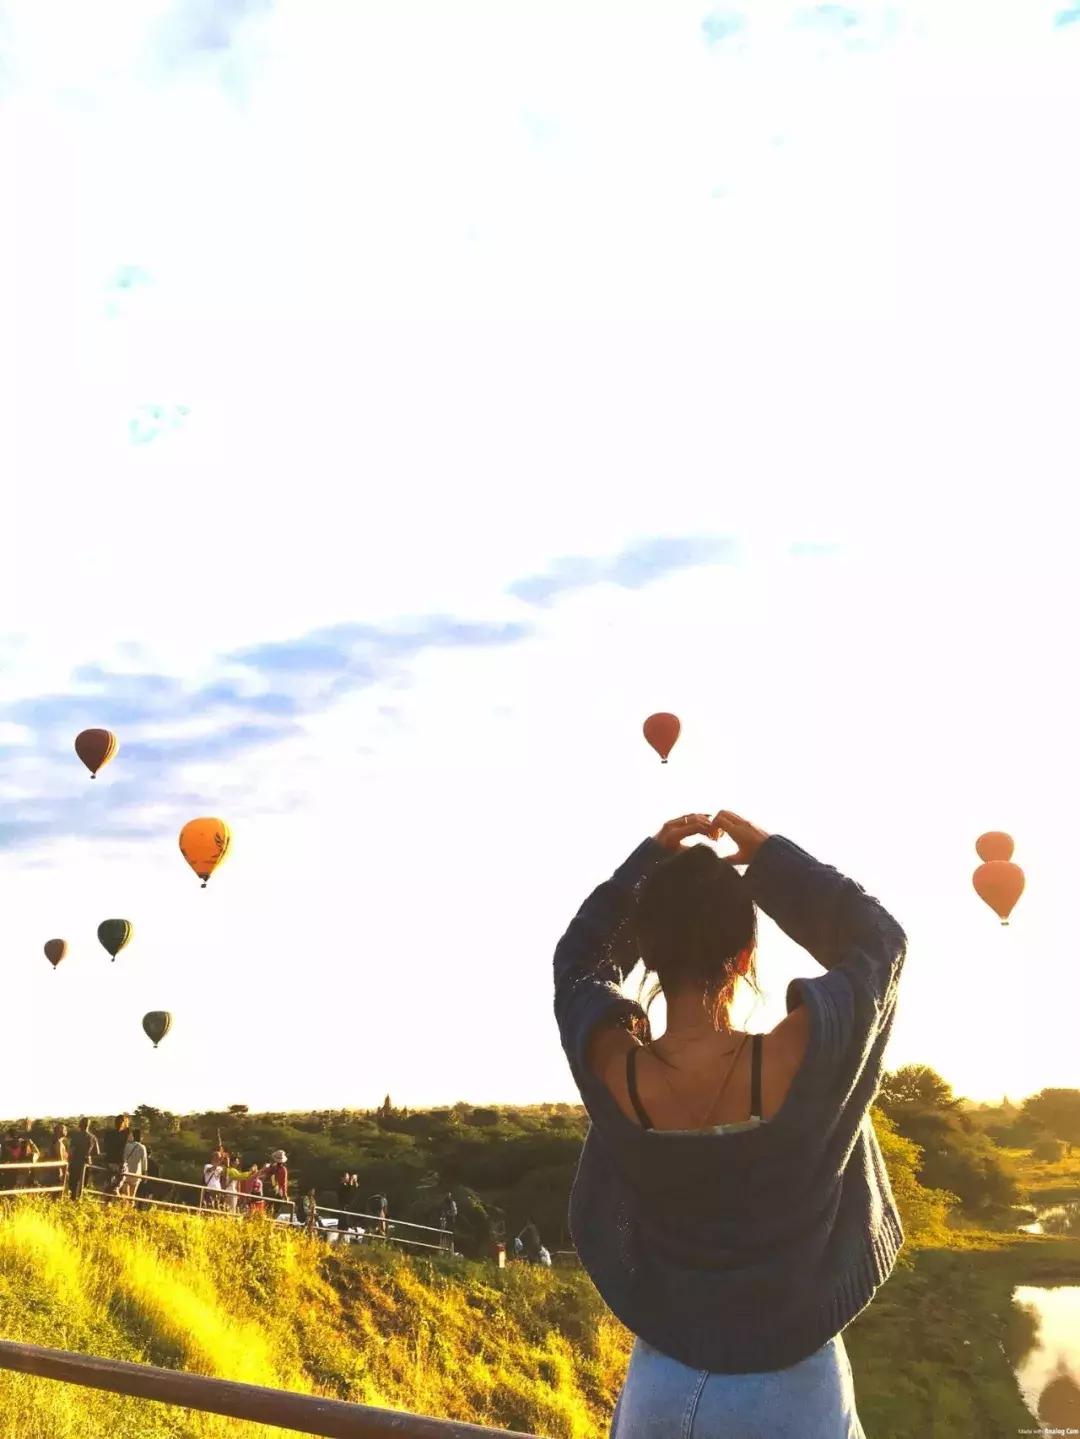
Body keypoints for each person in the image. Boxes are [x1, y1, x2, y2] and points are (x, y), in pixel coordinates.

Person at [554, 810, 907, 1439]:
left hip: (658, 1389)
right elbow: (880, 942)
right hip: (794, 1394)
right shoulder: (799, 1056)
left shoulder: (614, 1065)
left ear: (650, 956)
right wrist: (772, 861)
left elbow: (578, 963)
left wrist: (645, 868)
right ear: (745, 954)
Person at [66, 1119, 100, 1201]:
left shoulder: (76, 1136)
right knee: (84, 1183)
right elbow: (97, 1153)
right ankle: (80, 1200)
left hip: (75, 1162)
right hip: (87, 1163)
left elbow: (71, 1151)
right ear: (88, 1126)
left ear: (80, 1125)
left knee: (73, 1183)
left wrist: (69, 1160)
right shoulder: (93, 1137)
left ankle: (73, 1200)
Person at [100, 1116, 130, 1197]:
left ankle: (107, 1199)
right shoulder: (125, 1134)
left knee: (109, 1180)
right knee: (123, 1174)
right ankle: (115, 1188)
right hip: (119, 1161)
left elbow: (105, 1147)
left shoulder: (109, 1134)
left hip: (109, 1160)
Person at [119, 1128, 148, 1202]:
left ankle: (123, 1208)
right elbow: (144, 1162)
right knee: (132, 1196)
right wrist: (144, 1174)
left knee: (125, 1194)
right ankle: (129, 1209)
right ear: (140, 1137)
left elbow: (123, 1158)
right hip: (136, 1174)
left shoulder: (127, 1145)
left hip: (126, 1173)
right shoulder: (142, 1147)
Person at [262, 1151, 289, 1220]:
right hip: (278, 1192)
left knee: (267, 1208)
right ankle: (272, 1220)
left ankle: (266, 1220)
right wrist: (285, 1195)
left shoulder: (272, 1167)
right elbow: (283, 1183)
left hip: (269, 1190)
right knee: (276, 1210)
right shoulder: (283, 1170)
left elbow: (265, 1172)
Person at [44, 1124, 68, 1196]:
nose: (66, 1131)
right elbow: (60, 1159)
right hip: (58, 1171)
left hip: (53, 1171)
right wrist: (64, 1171)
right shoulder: (58, 1143)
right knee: (58, 1193)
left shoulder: (55, 1142)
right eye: (64, 1130)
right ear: (59, 1132)